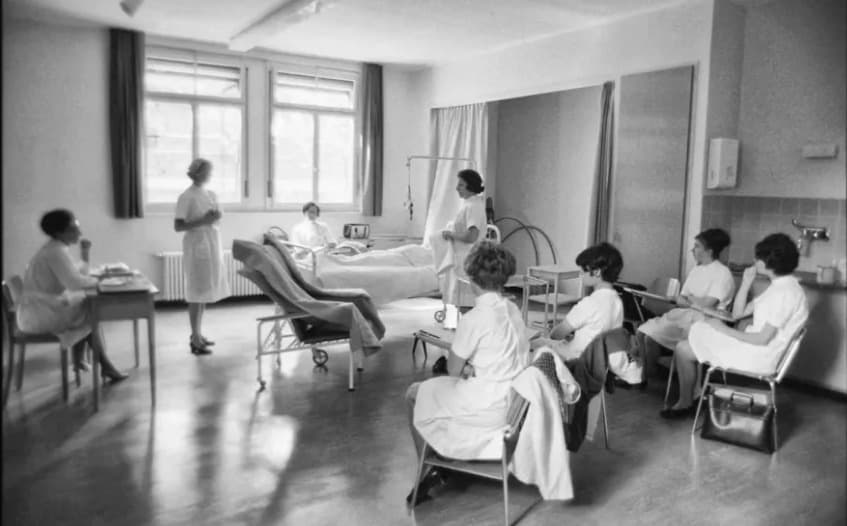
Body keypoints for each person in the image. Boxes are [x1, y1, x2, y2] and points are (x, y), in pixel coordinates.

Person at [405, 241, 529, 506]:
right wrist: (475, 366)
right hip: (515, 405)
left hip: (489, 408)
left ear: (471, 278)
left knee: (415, 393)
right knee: (442, 390)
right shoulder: (513, 309)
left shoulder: (474, 318)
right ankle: (444, 456)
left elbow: (453, 370)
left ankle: (429, 468)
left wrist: (467, 365)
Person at [663, 233, 808, 418]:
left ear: (769, 261)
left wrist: (723, 330)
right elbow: (737, 314)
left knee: (689, 343)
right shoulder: (780, 287)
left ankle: (687, 402)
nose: (754, 261)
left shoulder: (785, 293)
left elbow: (762, 339)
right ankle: (691, 399)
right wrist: (746, 283)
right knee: (687, 343)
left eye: (758, 257)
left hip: (758, 356)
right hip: (754, 349)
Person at [17, 210, 128, 382]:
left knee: (85, 308)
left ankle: (84, 361)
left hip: (41, 308)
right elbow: (74, 283)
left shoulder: (55, 248)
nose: (79, 232)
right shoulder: (54, 252)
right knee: (90, 312)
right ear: (59, 232)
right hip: (40, 315)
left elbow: (74, 274)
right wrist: (101, 281)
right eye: (74, 229)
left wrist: (85, 255)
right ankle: (103, 366)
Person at [530, 242, 642, 385]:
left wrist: (554, 332)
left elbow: (556, 334)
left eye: (583, 271)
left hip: (574, 359)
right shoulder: (617, 302)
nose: (581, 275)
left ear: (597, 272)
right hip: (598, 362)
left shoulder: (589, 303)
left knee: (534, 343)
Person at [633, 229, 735, 384]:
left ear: (709, 251)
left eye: (697, 246)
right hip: (686, 315)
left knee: (650, 336)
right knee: (642, 333)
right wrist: (691, 300)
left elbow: (707, 304)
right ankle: (648, 373)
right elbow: (682, 297)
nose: (692, 250)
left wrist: (690, 299)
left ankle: (645, 377)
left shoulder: (723, 273)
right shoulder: (696, 270)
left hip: (706, 321)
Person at [174, 158, 230, 356]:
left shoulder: (210, 194)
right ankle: (195, 339)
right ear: (197, 173)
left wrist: (215, 217)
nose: (210, 175)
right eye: (207, 171)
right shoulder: (186, 196)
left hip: (211, 242)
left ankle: (197, 333)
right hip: (196, 245)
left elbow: (214, 218)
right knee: (196, 292)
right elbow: (178, 226)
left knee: (204, 291)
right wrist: (204, 220)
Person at [430, 169, 487, 308]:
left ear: (470, 186)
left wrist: (451, 234)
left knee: (466, 301)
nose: (457, 188)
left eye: (461, 185)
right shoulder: (469, 204)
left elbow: (471, 236)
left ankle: (468, 320)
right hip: (463, 256)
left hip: (468, 257)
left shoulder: (474, 206)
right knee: (460, 300)